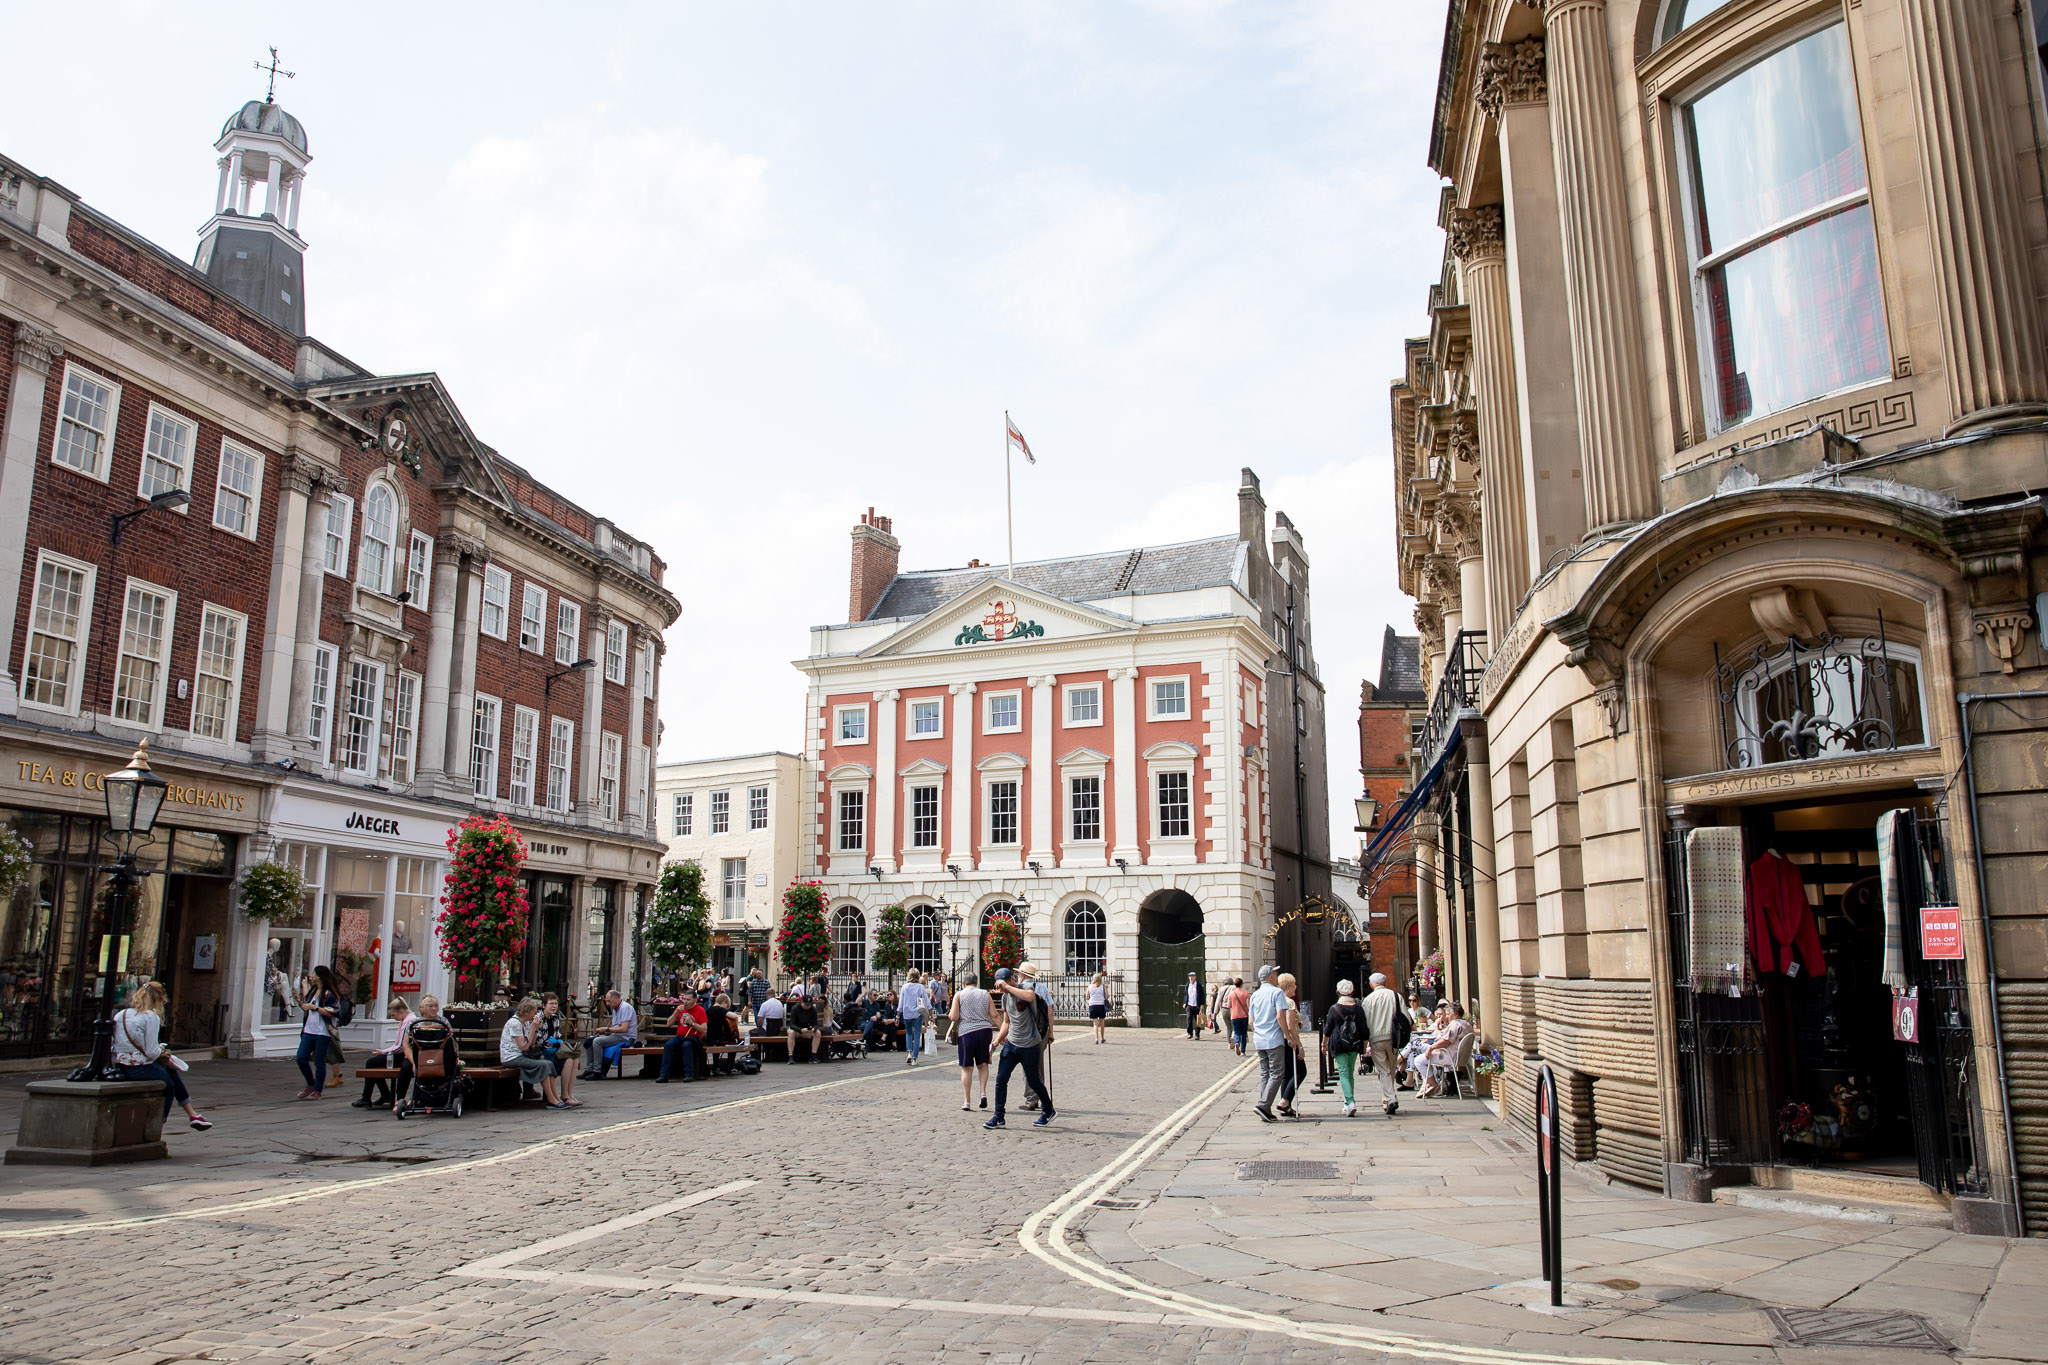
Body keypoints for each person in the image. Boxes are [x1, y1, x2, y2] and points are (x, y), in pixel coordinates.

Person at [110, 981, 210, 1130]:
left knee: (170, 1071)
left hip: (120, 1065)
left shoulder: (120, 1015)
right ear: (156, 1000)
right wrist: (162, 1051)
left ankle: (193, 1114)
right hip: (139, 1068)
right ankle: (158, 1124)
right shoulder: (150, 1017)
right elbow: (151, 1052)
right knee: (168, 1086)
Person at [984, 967, 1054, 1128]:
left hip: (1030, 1044)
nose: (1001, 989)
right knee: (1001, 1079)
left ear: (1010, 980)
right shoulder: (1005, 998)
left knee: (1034, 1081)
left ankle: (1048, 1110)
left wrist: (1007, 987)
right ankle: (999, 1116)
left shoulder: (1025, 988)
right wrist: (996, 1041)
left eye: (1003, 984)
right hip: (1012, 1044)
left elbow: (1030, 997)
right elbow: (1007, 1022)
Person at [501, 999, 566, 1107]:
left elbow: (531, 1044)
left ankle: (556, 1097)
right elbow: (524, 1047)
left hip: (521, 1055)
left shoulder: (526, 1023)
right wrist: (532, 1029)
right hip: (511, 1057)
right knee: (543, 1065)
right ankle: (551, 1099)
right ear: (527, 1011)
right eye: (534, 1012)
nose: (535, 1015)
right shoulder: (514, 1023)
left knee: (548, 1063)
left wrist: (536, 1029)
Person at [292, 964, 343, 1099]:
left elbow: (334, 1012)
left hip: (322, 1032)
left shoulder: (329, 994)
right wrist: (303, 1001)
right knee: (301, 1058)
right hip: (309, 1030)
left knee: (319, 1061)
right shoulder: (313, 990)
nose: (311, 975)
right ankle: (311, 1083)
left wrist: (314, 1008)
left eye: (313, 973)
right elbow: (307, 1008)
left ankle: (318, 1090)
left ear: (319, 977)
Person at [355, 998, 414, 1108]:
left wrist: (383, 1052)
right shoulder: (406, 1020)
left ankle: (369, 1097)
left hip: (403, 1056)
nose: (393, 1018)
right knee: (374, 1063)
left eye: (393, 1015)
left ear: (401, 1012)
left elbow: (401, 1046)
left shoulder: (408, 1022)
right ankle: (382, 1094)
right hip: (402, 1054)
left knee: (371, 1063)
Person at [1247, 966, 1289, 1123]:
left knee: (1265, 1073)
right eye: (1276, 973)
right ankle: (1263, 1105)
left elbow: (1251, 1021)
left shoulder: (1255, 995)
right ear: (1271, 976)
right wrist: (1287, 1035)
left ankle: (1265, 1108)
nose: (1277, 975)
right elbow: (1280, 1016)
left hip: (1259, 1040)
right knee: (1277, 1072)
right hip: (1274, 1039)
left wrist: (1259, 1032)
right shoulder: (1277, 992)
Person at [1323, 980, 1367, 1118]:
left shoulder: (1334, 1008)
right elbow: (1364, 1029)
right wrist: (1364, 1047)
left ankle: (1350, 1101)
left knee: (1343, 1072)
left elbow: (1328, 1028)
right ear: (1352, 991)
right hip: (1354, 1044)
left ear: (1338, 991)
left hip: (1339, 1043)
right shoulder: (1358, 1008)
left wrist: (1323, 1043)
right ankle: (1347, 1103)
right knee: (1349, 1072)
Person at [1363, 972, 1404, 1115]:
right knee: (1390, 1070)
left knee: (1384, 1070)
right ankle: (1387, 1100)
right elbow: (1405, 1017)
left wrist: (1364, 1043)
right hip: (1393, 1038)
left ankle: (1391, 1099)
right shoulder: (1396, 996)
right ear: (1385, 982)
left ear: (1371, 984)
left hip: (1376, 1039)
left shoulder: (1368, 1000)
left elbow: (1365, 1023)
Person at [951, 976, 994, 1110]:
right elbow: (994, 1014)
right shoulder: (985, 994)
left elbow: (954, 1016)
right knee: (983, 1064)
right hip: (984, 1031)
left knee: (967, 1067)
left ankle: (967, 1101)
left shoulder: (959, 995)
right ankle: (983, 1093)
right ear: (977, 982)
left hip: (967, 1033)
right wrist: (1004, 1033)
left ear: (963, 983)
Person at [580, 989, 638, 1079]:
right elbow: (613, 1025)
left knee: (597, 1041)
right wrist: (606, 1032)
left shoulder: (625, 1008)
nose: (607, 1004)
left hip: (626, 1037)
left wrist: (606, 1029)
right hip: (616, 1035)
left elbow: (624, 1028)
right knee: (589, 1040)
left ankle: (597, 1071)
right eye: (606, 1001)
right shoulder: (615, 1008)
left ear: (615, 998)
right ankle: (589, 1069)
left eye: (609, 1001)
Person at [1420, 1001, 1473, 1097]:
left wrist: (1431, 1048)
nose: (1446, 1016)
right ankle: (1431, 1084)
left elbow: (1447, 1040)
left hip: (1449, 1056)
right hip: (1461, 1057)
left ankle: (1434, 1085)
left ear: (1456, 1015)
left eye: (1448, 1014)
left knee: (1419, 1060)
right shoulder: (1467, 1024)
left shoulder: (1454, 1025)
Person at [538, 993, 580, 1106]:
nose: (554, 1006)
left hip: (554, 1050)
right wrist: (551, 1043)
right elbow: (539, 1041)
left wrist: (558, 1041)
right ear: (543, 1005)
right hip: (543, 1053)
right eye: (551, 1004)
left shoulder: (555, 1018)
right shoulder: (539, 1019)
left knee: (574, 1059)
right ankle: (565, 1096)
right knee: (569, 1060)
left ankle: (569, 1094)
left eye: (555, 1004)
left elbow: (557, 1035)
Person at [658, 991, 707, 1082]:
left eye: (688, 1000)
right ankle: (664, 1074)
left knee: (687, 1046)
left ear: (695, 1000)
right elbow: (668, 1024)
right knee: (669, 1045)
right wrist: (675, 1013)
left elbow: (704, 1030)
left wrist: (692, 1023)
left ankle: (688, 1074)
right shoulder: (680, 1009)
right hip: (680, 1036)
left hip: (693, 1037)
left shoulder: (700, 1010)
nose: (685, 1002)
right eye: (684, 999)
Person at [1275, 972, 1305, 1117]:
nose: (1296, 988)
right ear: (1288, 987)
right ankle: (1285, 1101)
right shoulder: (1289, 1002)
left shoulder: (1277, 1000)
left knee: (1287, 1073)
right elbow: (1290, 1025)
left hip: (1279, 1041)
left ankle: (1286, 1106)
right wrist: (1299, 1044)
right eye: (1294, 985)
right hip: (1290, 1041)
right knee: (1301, 1071)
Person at [899, 970, 930, 1066]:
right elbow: (927, 1002)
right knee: (917, 1035)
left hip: (907, 1013)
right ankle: (915, 1059)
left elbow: (901, 1002)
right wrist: (931, 1016)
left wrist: (897, 1015)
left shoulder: (904, 987)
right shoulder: (920, 987)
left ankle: (909, 1053)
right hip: (917, 1013)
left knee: (908, 1033)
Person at [788, 989, 824, 1063]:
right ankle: (790, 1056)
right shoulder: (795, 1008)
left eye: (809, 1005)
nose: (807, 1007)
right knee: (791, 1033)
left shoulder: (813, 1010)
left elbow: (815, 1023)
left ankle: (813, 1055)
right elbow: (791, 1024)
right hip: (797, 1030)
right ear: (802, 1002)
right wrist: (800, 1030)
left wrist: (813, 1029)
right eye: (806, 1005)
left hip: (807, 1030)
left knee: (818, 1033)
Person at [1226, 976, 1251, 1056]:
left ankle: (1236, 1042)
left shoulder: (1231, 994)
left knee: (1237, 1032)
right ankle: (1243, 1051)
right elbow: (1248, 1005)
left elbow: (1228, 1005)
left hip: (1234, 1016)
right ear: (1241, 984)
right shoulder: (1245, 993)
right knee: (1243, 1033)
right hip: (1244, 1016)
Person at [1089, 972, 1110, 1044]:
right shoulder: (1103, 986)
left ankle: (1096, 1039)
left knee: (1095, 1024)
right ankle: (1103, 1038)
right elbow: (1107, 996)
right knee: (1102, 1024)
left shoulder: (1089, 986)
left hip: (1092, 1005)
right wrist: (1106, 989)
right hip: (1101, 1005)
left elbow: (1087, 997)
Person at [1183, 972, 1203, 1040]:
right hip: (1189, 1005)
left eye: (1192, 976)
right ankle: (1189, 1033)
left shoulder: (1199, 985)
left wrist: (1202, 1004)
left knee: (1198, 1020)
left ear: (1195, 977)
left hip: (1196, 1005)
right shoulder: (1187, 985)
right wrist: (1185, 1002)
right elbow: (1185, 994)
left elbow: (1202, 996)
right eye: (1190, 976)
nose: (1191, 978)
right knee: (1189, 1019)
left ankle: (1197, 1035)